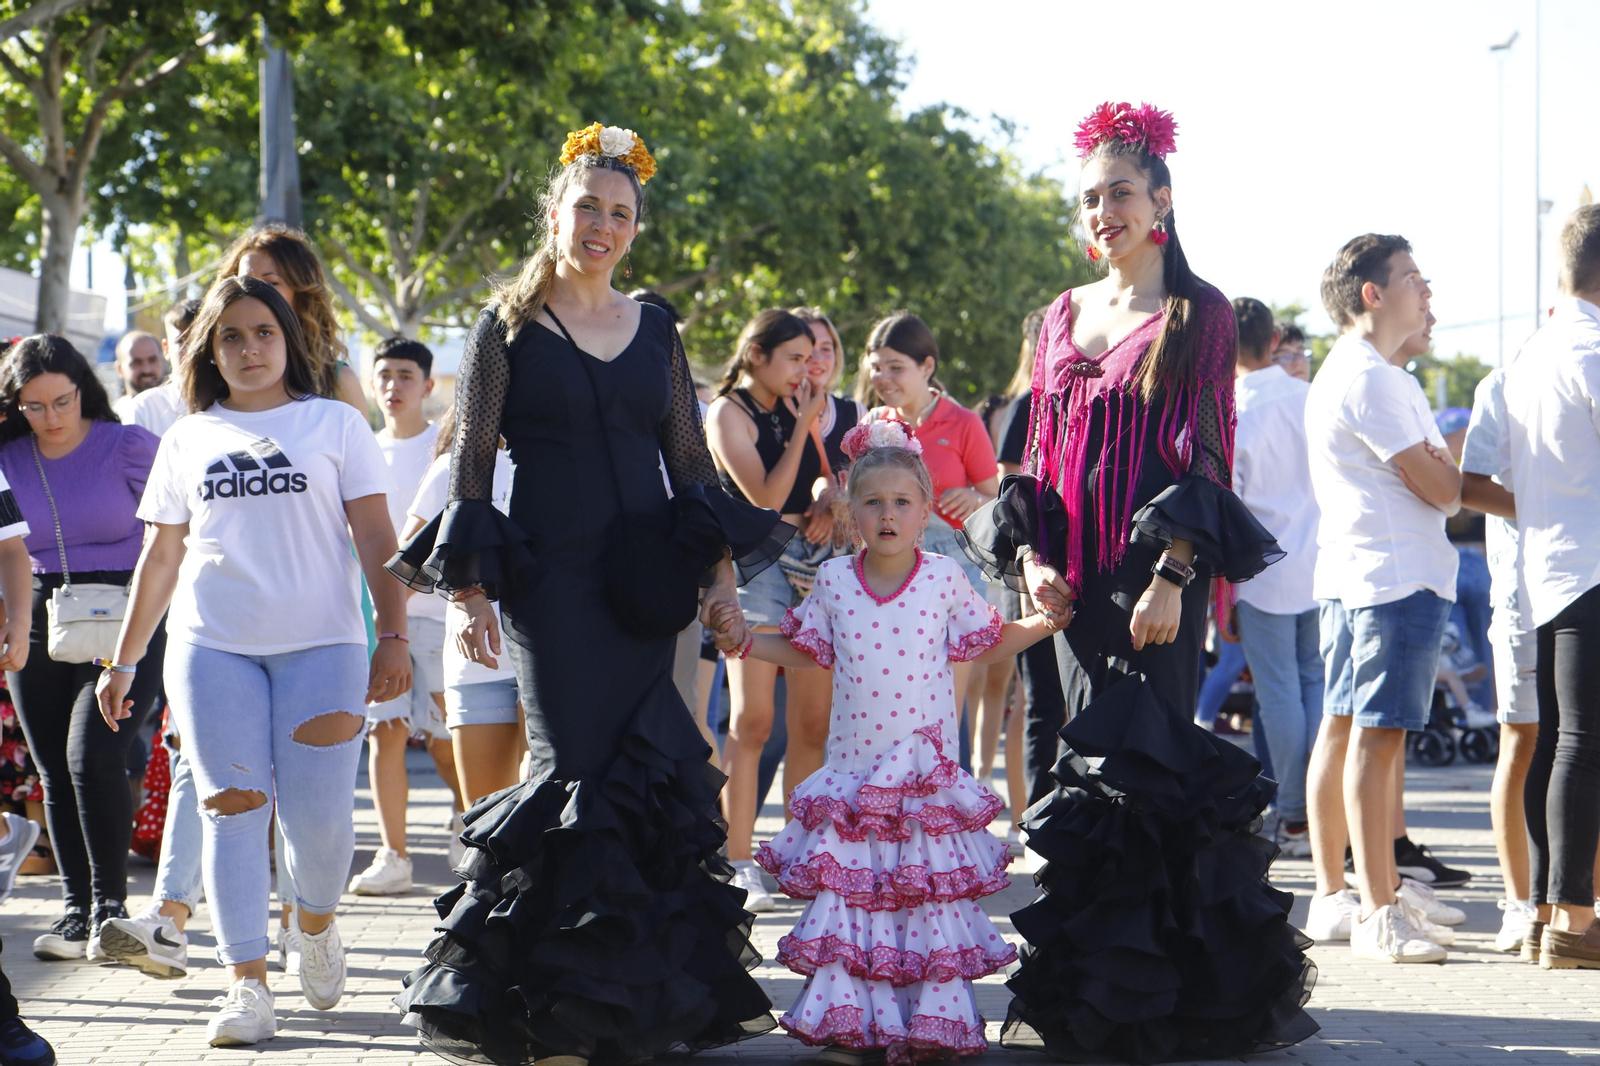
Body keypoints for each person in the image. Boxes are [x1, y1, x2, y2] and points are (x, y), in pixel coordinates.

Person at [385, 122, 785, 1063]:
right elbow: (472, 466)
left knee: (648, 768)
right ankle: (554, 1007)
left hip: (649, 586)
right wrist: (472, 596)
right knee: (570, 770)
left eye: (620, 213)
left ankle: (637, 1005)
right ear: (554, 213)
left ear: (635, 228)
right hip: (552, 585)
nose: (602, 226)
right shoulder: (506, 327)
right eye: (587, 208)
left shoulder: (656, 328)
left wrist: (721, 581)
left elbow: (690, 467)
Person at [959, 101, 1312, 1063]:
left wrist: (1172, 575)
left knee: (1148, 773)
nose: (1102, 211)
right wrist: (1030, 560)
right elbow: (1034, 457)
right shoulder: (1057, 315)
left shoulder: (1201, 315)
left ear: (1161, 200)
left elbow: (1209, 457)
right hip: (1067, 591)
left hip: (1155, 584)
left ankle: (1165, 1002)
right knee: (1082, 776)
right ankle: (1093, 995)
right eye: (1089, 198)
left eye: (1119, 192)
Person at [95, 275, 410, 1045]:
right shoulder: (189, 437)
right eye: (230, 336)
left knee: (319, 823)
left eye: (263, 332)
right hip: (213, 648)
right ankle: (247, 985)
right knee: (230, 810)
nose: (248, 348)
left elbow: (377, 537)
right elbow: (161, 557)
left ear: (288, 340)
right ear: (210, 351)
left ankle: (317, 924)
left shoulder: (335, 423)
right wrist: (123, 661)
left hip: (325, 646)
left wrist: (395, 634)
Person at [717, 420, 1060, 1064]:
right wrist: (744, 642)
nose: (888, 514)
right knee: (856, 899)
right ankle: (851, 1025)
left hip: (923, 777)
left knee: (922, 899)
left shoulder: (944, 578)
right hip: (854, 776)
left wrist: (1044, 622)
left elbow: (988, 641)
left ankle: (928, 1022)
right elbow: (804, 648)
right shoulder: (835, 581)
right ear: (850, 513)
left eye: (902, 502)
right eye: (872, 502)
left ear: (926, 511)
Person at [1300, 234, 1463, 965]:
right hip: (1392, 577)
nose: (1426, 292)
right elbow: (1444, 487)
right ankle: (1377, 909)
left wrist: (1437, 467)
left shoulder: (1356, 371)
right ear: (1372, 293)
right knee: (1377, 737)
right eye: (1412, 278)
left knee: (1345, 730)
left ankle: (1342, 894)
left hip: (1360, 573)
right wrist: (1440, 467)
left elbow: (1436, 476)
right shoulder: (1374, 378)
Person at [0, 336, 162, 962]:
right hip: (40, 613)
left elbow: (178, 536)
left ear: (83, 389)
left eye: (62, 401)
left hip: (127, 616)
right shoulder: (8, 458)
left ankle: (110, 910)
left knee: (91, 755)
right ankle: (76, 912)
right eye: (34, 407)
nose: (51, 417)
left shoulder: (128, 446)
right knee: (52, 769)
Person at [1501, 203, 1600, 969]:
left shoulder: (1533, 351)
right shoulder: (1591, 348)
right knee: (1580, 744)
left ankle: (1547, 914)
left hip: (1549, 566)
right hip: (1591, 563)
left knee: (1561, 741)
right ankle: (1572, 920)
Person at [705, 307, 830, 912]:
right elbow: (764, 499)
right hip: (754, 564)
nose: (805, 369)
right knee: (752, 720)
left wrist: (827, 495)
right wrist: (804, 422)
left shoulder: (795, 405)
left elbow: (820, 479)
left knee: (811, 724)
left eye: (811, 357)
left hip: (814, 560)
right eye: (794, 358)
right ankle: (737, 859)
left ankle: (799, 856)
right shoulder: (727, 411)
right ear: (756, 354)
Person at [860, 313, 1000, 775]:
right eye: (875, 367)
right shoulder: (873, 424)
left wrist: (975, 497)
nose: (882, 378)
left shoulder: (964, 422)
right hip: (885, 567)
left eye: (895, 367)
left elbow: (995, 496)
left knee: (944, 698)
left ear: (927, 366)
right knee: (889, 694)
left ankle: (944, 802)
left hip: (953, 564)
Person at [348, 336, 463, 897]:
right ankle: (393, 855)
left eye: (405, 375)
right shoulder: (360, 448)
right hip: (376, 619)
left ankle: (468, 817)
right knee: (385, 732)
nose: (393, 386)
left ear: (428, 385)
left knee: (444, 738)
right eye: (384, 376)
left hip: (438, 616)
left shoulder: (445, 449)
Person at [1228, 296, 1322, 858]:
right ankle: (1314, 809)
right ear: (1272, 342)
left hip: (1262, 572)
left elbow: (1230, 506)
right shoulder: (1310, 397)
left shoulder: (1233, 409)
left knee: (1280, 694)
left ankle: (1295, 814)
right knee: (1312, 685)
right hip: (1321, 562)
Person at [401, 408, 523, 813]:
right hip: (475, 665)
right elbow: (409, 562)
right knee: (487, 816)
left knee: (544, 806)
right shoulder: (451, 469)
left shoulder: (560, 466)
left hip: (549, 658)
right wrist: (391, 639)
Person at [1459, 360, 1539, 954]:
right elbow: (1469, 486)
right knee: (1523, 739)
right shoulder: (1509, 380)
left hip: (1586, 592)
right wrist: (1554, 509)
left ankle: (1579, 900)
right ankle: (1519, 903)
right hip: (1525, 594)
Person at [995, 309, 1066, 819]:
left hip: (1084, 571)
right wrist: (1027, 569)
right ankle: (1040, 822)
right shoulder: (1029, 404)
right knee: (1042, 703)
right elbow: (1010, 491)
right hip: (1032, 568)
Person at [214, 226, 368, 415]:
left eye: (271, 283)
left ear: (301, 295)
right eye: (247, 282)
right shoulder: (216, 378)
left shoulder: (337, 381)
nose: (254, 293)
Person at [125, 300, 200, 438]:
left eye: (199, 341)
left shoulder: (234, 404)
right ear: (166, 349)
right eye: (182, 342)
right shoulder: (145, 409)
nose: (192, 351)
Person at [110, 331, 165, 420]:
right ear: (119, 369)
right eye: (137, 363)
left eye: (152, 360)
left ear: (162, 362)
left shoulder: (181, 409)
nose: (146, 370)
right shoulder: (114, 419)